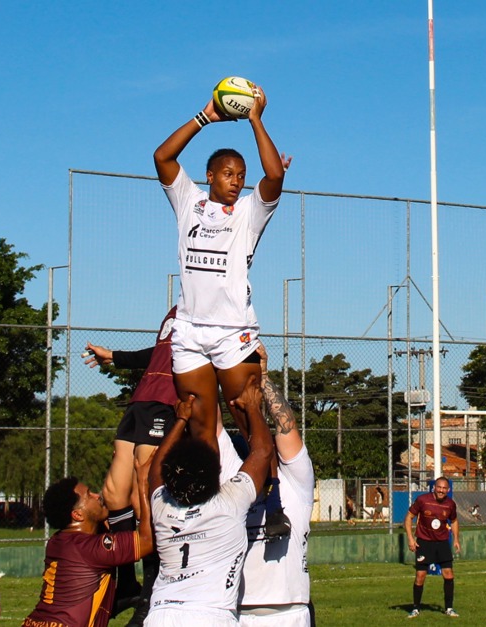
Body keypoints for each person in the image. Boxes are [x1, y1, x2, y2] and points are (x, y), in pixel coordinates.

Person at [153, 85, 291, 538]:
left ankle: (272, 502)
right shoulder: (188, 202)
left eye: (241, 174)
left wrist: (255, 119)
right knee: (198, 425)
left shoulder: (249, 213)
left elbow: (274, 176)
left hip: (234, 332)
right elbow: (162, 157)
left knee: (249, 413)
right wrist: (206, 115)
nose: (236, 179)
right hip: (190, 333)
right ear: (210, 175)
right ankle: (204, 511)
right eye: (228, 173)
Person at [145, 376, 273, 626]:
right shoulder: (228, 503)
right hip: (209, 614)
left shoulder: (162, 506)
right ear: (215, 472)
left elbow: (155, 471)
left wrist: (181, 420)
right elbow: (263, 451)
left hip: (161, 613)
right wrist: (253, 408)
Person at [83, 306, 178, 622]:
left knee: (143, 498)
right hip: (141, 399)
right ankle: (127, 584)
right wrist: (114, 357)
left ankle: (151, 595)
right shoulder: (177, 310)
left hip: (168, 403)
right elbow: (159, 354)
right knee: (112, 494)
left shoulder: (215, 309)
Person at [219, 344, 315, 627]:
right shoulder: (233, 482)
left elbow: (286, 426)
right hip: (239, 611)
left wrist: (262, 377)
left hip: (290, 612)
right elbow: (212, 425)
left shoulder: (295, 480)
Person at [21, 453, 154, 627]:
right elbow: (148, 540)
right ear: (77, 514)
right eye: (89, 495)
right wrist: (143, 484)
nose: (96, 496)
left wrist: (120, 466)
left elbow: (106, 512)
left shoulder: (58, 541)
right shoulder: (90, 549)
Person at [403, 477, 461, 619]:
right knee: (420, 576)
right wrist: (411, 538)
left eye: (444, 488)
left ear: (448, 490)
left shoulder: (450, 504)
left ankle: (449, 608)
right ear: (434, 487)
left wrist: (456, 539)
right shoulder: (423, 500)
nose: (441, 490)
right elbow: (409, 517)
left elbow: (454, 521)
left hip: (442, 543)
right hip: (424, 543)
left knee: (449, 575)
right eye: (439, 487)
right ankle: (416, 608)